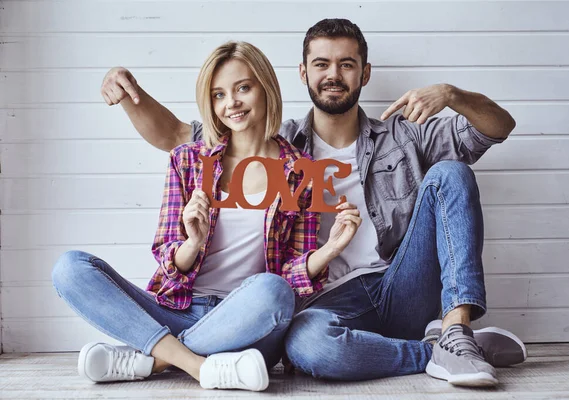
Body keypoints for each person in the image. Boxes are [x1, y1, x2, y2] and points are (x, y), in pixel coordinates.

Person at [100, 19, 527, 387]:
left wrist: (452, 95)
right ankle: (438, 352)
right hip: (323, 301)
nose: (333, 74)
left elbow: (497, 128)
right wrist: (128, 91)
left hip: (399, 283)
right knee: (307, 348)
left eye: (347, 64)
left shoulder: (404, 136)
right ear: (303, 73)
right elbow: (176, 135)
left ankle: (456, 329)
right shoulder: (275, 147)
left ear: (365, 73)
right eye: (322, 64)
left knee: (451, 173)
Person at [52, 41, 361, 392]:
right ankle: (199, 366)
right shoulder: (188, 161)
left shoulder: (299, 171)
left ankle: (155, 358)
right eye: (219, 95)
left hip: (248, 321)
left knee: (273, 291)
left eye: (243, 88)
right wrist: (193, 243)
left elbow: (288, 280)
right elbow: (168, 256)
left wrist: (328, 251)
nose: (232, 103)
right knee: (70, 268)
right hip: (180, 308)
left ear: (266, 88)